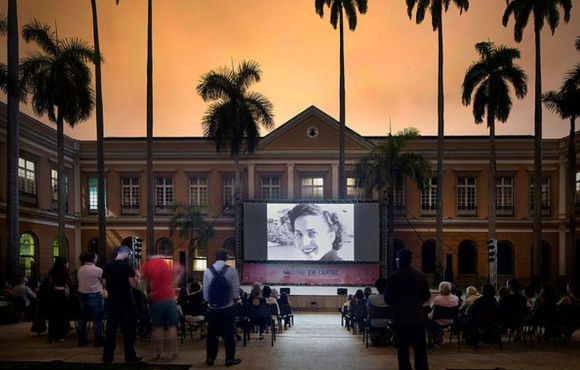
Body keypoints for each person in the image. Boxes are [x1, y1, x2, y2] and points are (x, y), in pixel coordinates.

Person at [385, 248, 430, 370]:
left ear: (399, 261)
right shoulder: (420, 276)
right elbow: (426, 296)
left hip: (400, 319)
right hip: (417, 318)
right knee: (420, 351)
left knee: (402, 352)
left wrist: (398, 304)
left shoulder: (393, 277)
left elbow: (388, 299)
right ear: (410, 260)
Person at [102, 246, 142, 365]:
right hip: (126, 303)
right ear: (126, 254)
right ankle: (129, 357)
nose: (129, 257)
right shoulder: (127, 267)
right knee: (129, 332)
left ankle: (108, 357)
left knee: (111, 331)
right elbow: (134, 285)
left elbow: (104, 284)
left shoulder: (107, 266)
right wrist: (138, 277)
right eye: (129, 255)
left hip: (112, 303)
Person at [202, 249, 241, 367]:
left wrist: (209, 302)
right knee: (229, 333)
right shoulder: (231, 271)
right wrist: (233, 302)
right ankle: (229, 359)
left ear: (215, 257)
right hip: (227, 307)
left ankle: (210, 358)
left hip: (213, 309)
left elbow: (205, 291)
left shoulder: (208, 271)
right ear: (226, 257)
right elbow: (235, 291)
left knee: (212, 334)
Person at [142, 254, 180, 361]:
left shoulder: (147, 265)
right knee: (172, 326)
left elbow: (144, 283)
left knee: (158, 327)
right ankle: (175, 351)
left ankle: (161, 352)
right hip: (170, 298)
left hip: (157, 299)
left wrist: (150, 293)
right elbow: (178, 271)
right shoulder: (166, 264)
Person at [77, 252, 104, 347]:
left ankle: (81, 339)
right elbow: (104, 282)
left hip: (82, 296)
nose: (96, 259)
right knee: (97, 319)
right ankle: (98, 340)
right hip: (95, 295)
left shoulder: (80, 269)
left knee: (83, 319)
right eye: (96, 257)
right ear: (93, 259)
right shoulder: (98, 270)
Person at [46, 256, 72, 343]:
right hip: (61, 295)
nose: (68, 264)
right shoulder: (64, 272)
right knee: (61, 316)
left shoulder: (52, 271)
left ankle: (52, 336)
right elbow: (68, 283)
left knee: (53, 317)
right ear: (64, 264)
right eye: (67, 262)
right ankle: (60, 335)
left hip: (52, 295)